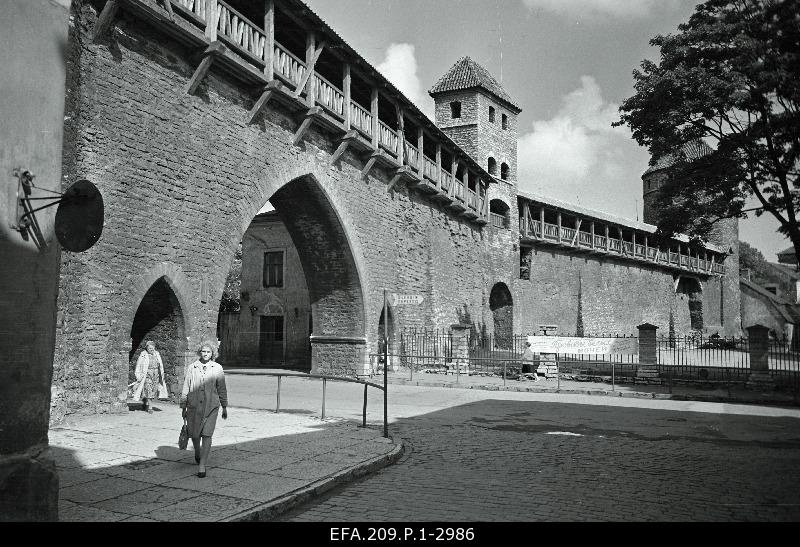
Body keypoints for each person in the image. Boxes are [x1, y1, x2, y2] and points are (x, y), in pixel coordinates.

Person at [181, 341, 228, 478]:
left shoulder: (217, 368)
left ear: (213, 353)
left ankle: (202, 465)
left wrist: (224, 406)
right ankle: (197, 451)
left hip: (211, 407)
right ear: (199, 352)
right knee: (195, 434)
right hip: (194, 406)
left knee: (207, 435)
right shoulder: (192, 367)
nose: (205, 354)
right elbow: (186, 387)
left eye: (208, 352)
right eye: (203, 351)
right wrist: (183, 405)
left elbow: (222, 388)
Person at [133, 340, 167, 413]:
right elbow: (138, 365)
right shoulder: (143, 355)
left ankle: (145, 402)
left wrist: (161, 374)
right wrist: (138, 375)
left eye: (152, 348)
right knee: (148, 390)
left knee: (153, 390)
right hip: (147, 375)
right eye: (150, 349)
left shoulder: (157, 354)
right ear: (147, 349)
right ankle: (150, 407)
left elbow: (160, 365)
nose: (151, 350)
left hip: (156, 375)